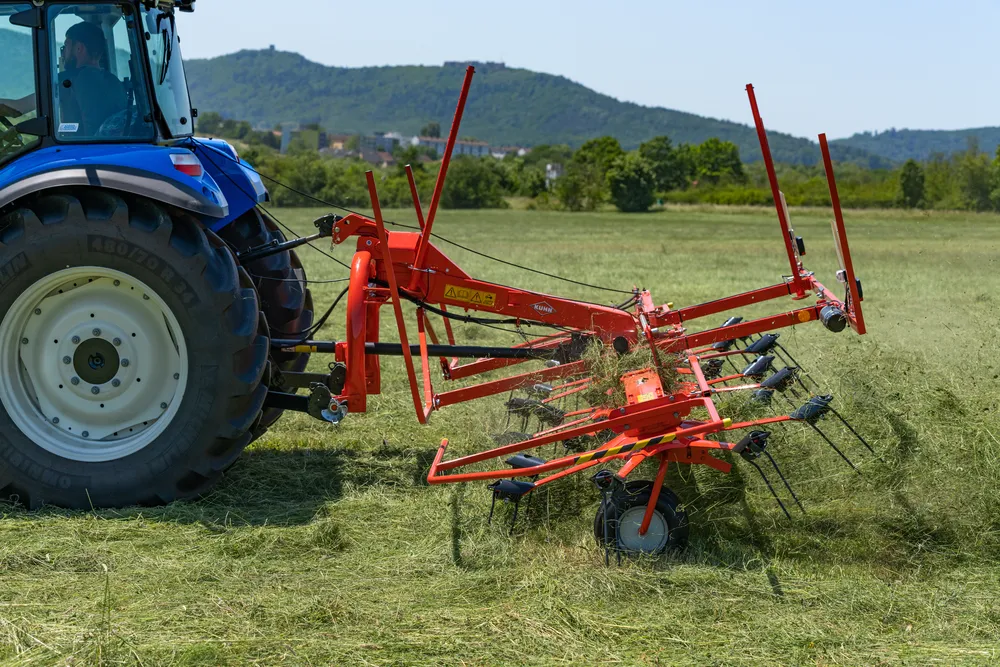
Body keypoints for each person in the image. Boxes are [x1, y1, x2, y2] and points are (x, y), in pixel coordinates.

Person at [58, 21, 125, 136]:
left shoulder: (68, 79)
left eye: (66, 46)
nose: (63, 53)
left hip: (77, 151)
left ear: (79, 48)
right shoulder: (115, 81)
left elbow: (18, 109)